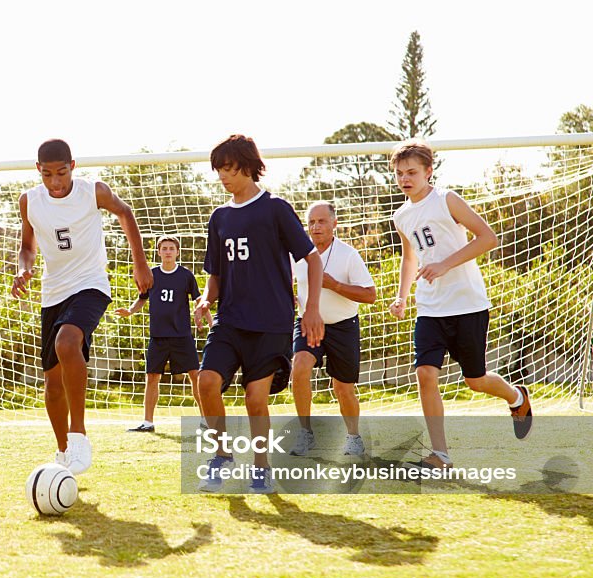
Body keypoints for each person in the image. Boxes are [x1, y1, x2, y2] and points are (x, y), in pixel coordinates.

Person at [388, 139, 533, 469]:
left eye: (411, 172)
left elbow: (487, 238)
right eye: (399, 174)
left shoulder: (446, 200)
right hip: (429, 308)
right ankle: (440, 454)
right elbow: (409, 259)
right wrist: (402, 295)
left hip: (467, 304)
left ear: (428, 171)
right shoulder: (401, 216)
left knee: (475, 380)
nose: (405, 179)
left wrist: (444, 265)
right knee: (425, 373)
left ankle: (516, 397)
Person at [11, 139, 153, 474]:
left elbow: (125, 212)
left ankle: (79, 434)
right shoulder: (29, 201)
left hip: (90, 284)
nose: (56, 182)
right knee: (52, 381)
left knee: (67, 342)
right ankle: (63, 453)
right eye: (47, 175)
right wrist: (23, 267)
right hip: (53, 292)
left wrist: (140, 263)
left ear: (72, 166)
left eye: (61, 173)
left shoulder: (94, 191)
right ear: (38, 171)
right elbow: (27, 246)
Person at [193, 134, 324, 494]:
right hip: (230, 320)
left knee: (255, 400)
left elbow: (311, 259)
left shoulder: (275, 208)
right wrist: (206, 299)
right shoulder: (218, 217)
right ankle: (222, 457)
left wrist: (311, 309)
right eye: (219, 170)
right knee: (206, 383)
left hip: (271, 323)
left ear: (249, 167)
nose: (224, 176)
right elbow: (215, 274)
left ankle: (261, 469)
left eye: (230, 169)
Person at [289, 201, 376, 458]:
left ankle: (353, 436)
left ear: (334, 223)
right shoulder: (297, 255)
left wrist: (335, 285)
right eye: (312, 222)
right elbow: (288, 285)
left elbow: (370, 295)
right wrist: (289, 297)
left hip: (343, 327)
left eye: (322, 221)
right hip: (308, 323)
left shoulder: (348, 255)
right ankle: (305, 432)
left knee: (343, 388)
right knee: (300, 367)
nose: (316, 227)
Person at [115, 235, 204, 432]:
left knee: (195, 375)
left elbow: (199, 300)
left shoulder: (186, 275)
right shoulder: (151, 274)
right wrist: (129, 311)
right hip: (158, 336)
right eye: (164, 248)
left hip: (182, 336)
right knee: (152, 376)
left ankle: (206, 420)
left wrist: (209, 320)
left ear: (178, 252)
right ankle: (148, 422)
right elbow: (141, 299)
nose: (168, 251)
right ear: (159, 252)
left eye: (172, 248)